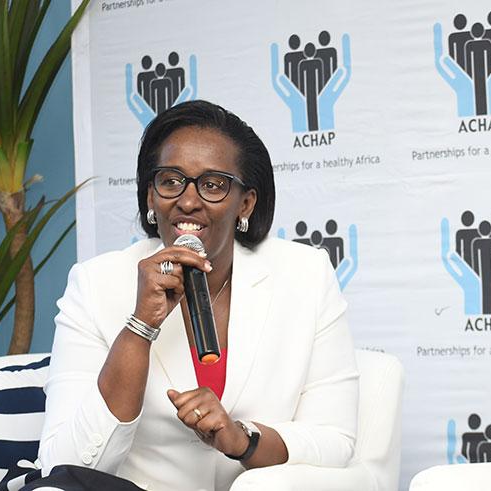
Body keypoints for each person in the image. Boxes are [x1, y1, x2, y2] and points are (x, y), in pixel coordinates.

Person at [36, 100, 359, 490]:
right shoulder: (96, 284)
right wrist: (140, 326)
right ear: (151, 196)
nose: (187, 201)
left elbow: (335, 440)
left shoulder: (305, 274)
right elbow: (65, 466)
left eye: (212, 185)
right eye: (171, 181)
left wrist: (243, 438)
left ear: (246, 203)